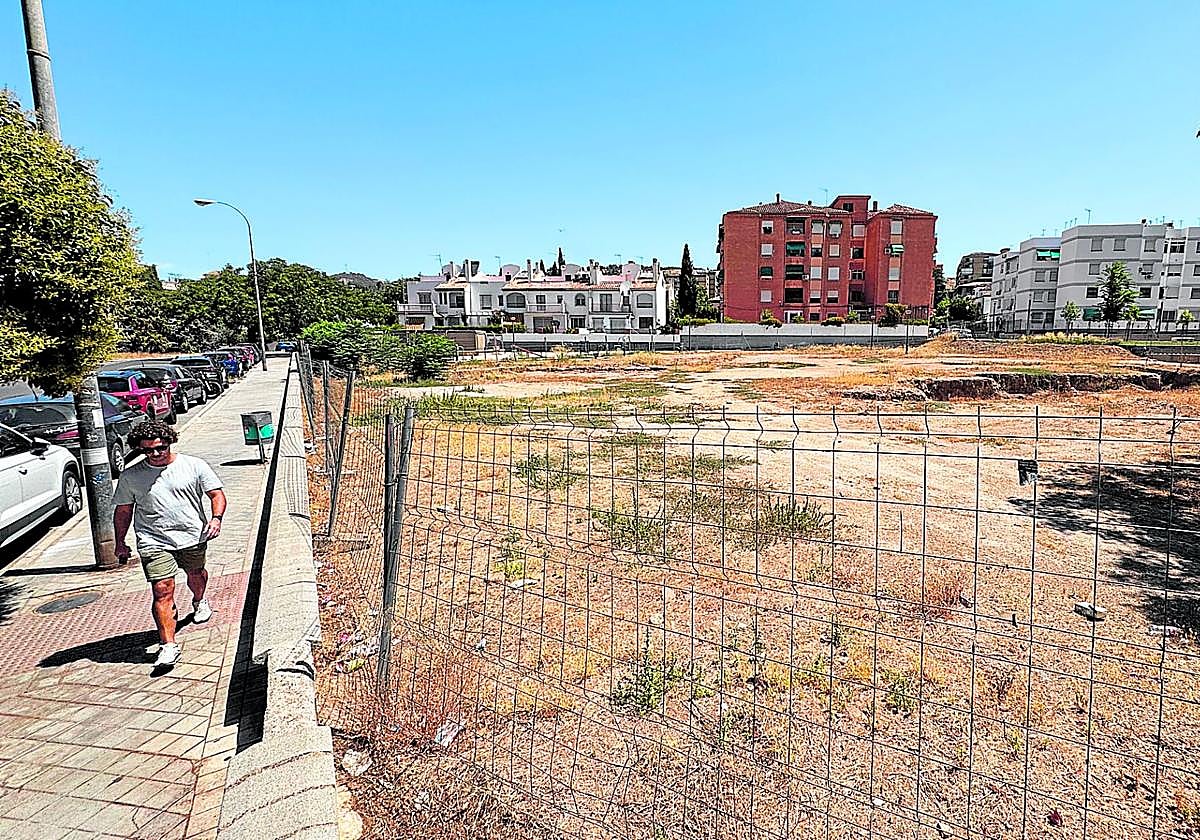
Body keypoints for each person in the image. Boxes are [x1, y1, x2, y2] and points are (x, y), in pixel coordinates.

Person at [113, 420, 227, 670]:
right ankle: (168, 645)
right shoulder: (131, 476)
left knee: (196, 575)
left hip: (192, 535)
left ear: (169, 442)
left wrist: (216, 519)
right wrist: (120, 542)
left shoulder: (193, 465)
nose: (155, 454)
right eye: (148, 450)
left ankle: (199, 600)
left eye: (160, 448)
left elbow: (216, 494)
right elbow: (123, 511)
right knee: (162, 589)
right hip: (153, 540)